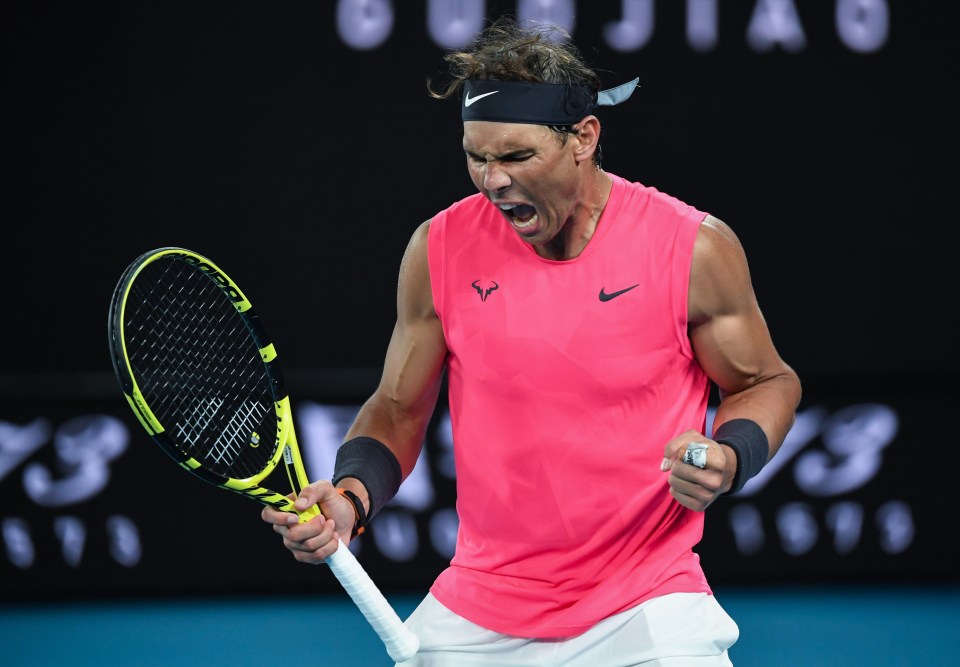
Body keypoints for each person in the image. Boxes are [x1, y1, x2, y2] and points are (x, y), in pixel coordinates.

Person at [262, 16, 802, 666]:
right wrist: (352, 495)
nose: (491, 180)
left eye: (516, 156)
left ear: (584, 137)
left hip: (645, 605)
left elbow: (765, 382)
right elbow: (398, 408)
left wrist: (730, 454)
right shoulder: (438, 248)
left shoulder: (692, 248)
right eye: (476, 155)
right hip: (478, 606)